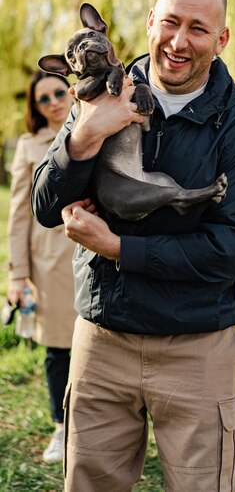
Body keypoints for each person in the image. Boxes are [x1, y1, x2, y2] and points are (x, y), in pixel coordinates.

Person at [31, 0, 235, 492]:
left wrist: (118, 248)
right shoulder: (93, 99)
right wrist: (84, 135)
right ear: (148, 23)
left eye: (198, 28)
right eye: (169, 22)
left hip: (196, 348)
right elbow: (45, 207)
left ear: (222, 38)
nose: (179, 41)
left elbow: (225, 252)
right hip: (101, 339)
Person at [7, 70, 77, 463]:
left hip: (102, 255)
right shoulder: (29, 146)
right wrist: (18, 273)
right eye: (43, 98)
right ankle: (61, 428)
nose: (53, 101)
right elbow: (18, 214)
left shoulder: (98, 126)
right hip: (50, 265)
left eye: (57, 92)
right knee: (59, 351)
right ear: (36, 108)